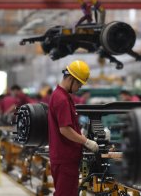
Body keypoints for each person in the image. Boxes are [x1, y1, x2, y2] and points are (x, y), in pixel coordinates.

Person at [48, 60, 99, 196]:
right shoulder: (61, 99)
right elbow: (64, 129)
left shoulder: (63, 96)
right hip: (65, 158)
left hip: (65, 157)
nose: (79, 88)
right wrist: (85, 141)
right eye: (79, 84)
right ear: (71, 79)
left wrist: (79, 133)